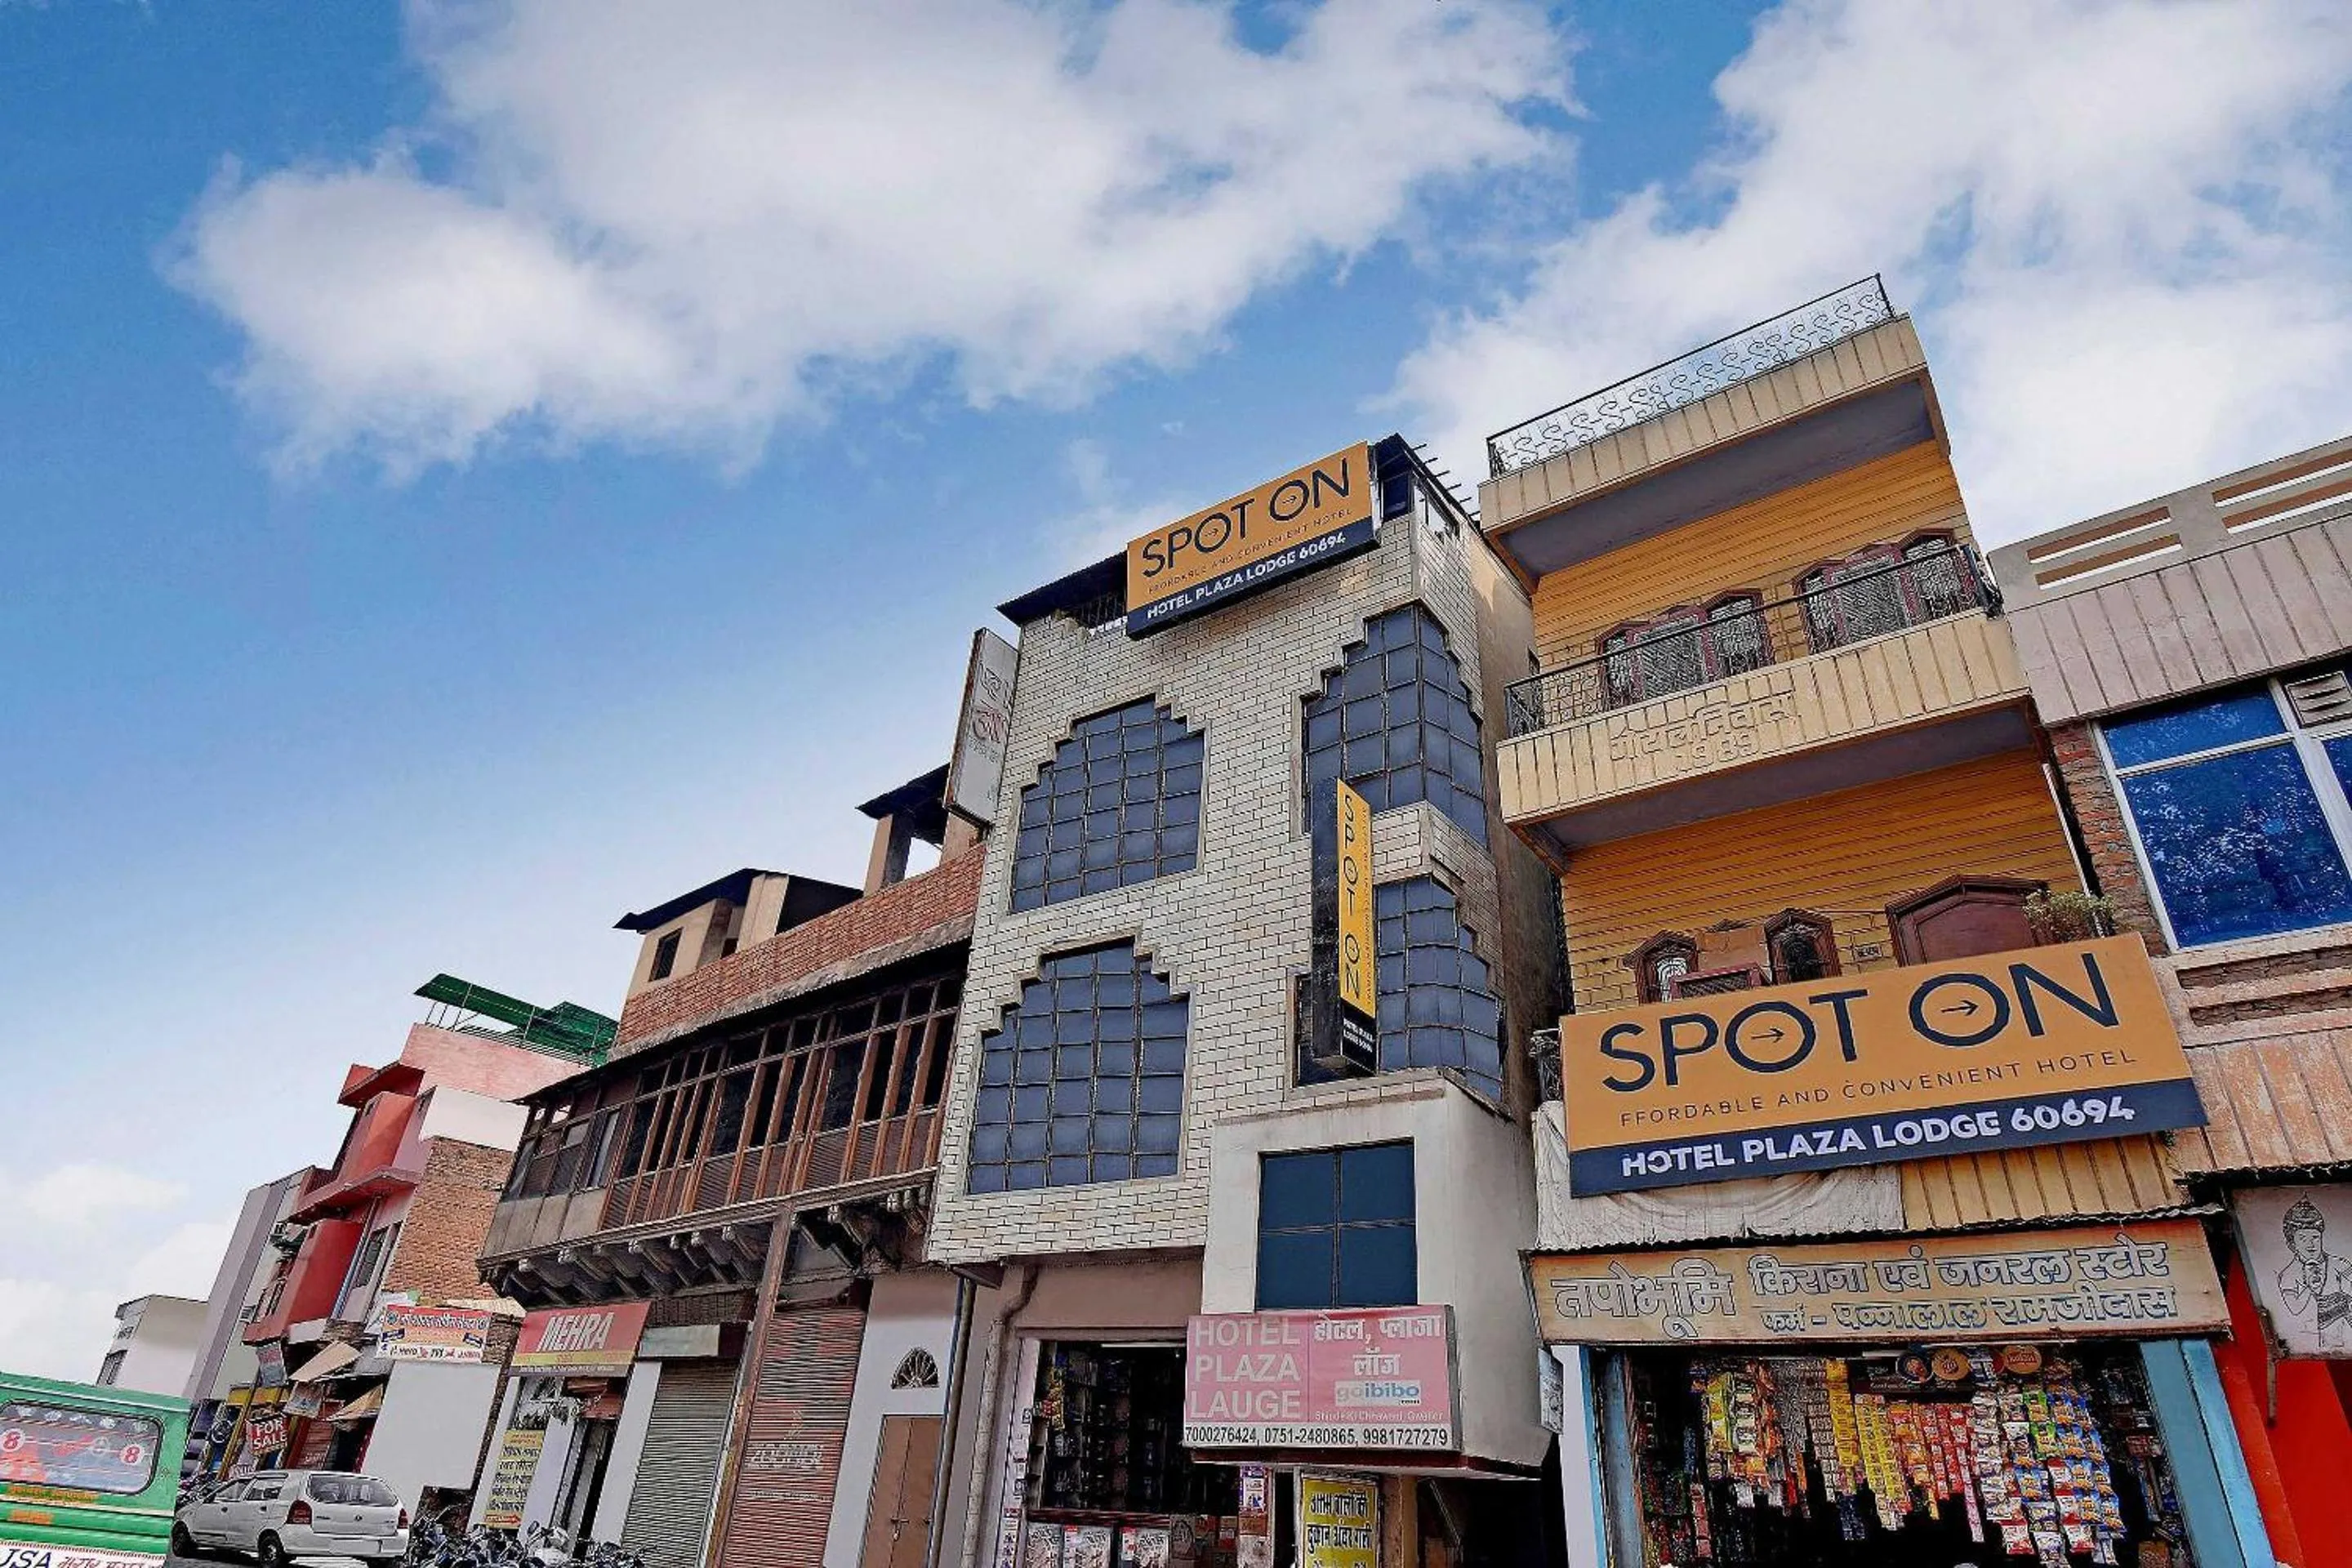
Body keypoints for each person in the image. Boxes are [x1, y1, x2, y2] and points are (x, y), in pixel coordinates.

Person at [2278, 1195, 2352, 1349]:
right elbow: (2295, 1309)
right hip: (2309, 1340)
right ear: (2292, 1244)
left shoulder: (2339, 1264)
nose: (2310, 1244)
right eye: (2303, 1238)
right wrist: (2309, 1287)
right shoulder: (2288, 1274)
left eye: (2315, 1237)